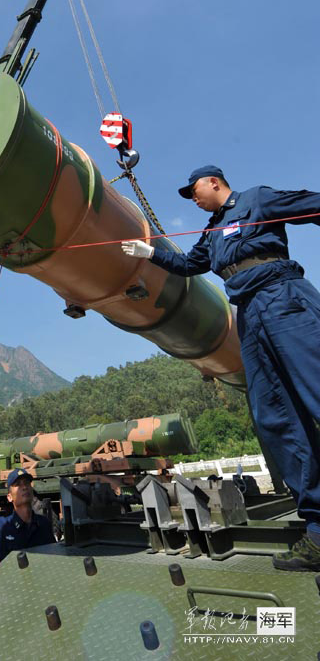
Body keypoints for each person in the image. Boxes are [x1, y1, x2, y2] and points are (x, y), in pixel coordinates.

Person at [121, 164, 320, 572]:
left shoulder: (257, 200)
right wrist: (150, 253)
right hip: (249, 315)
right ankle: (318, 530)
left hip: (283, 299)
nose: (192, 198)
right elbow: (188, 265)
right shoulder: (212, 233)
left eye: (193, 190)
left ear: (214, 182)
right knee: (275, 418)